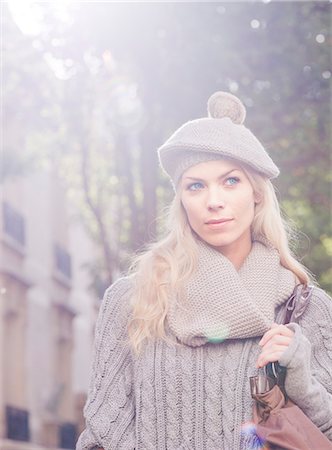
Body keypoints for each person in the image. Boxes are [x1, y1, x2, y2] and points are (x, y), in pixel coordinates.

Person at [76, 91, 332, 450]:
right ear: (181, 198)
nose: (214, 201)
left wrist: (300, 376)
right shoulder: (134, 299)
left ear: (256, 192)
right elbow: (102, 431)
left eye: (230, 181)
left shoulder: (306, 308)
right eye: (195, 186)